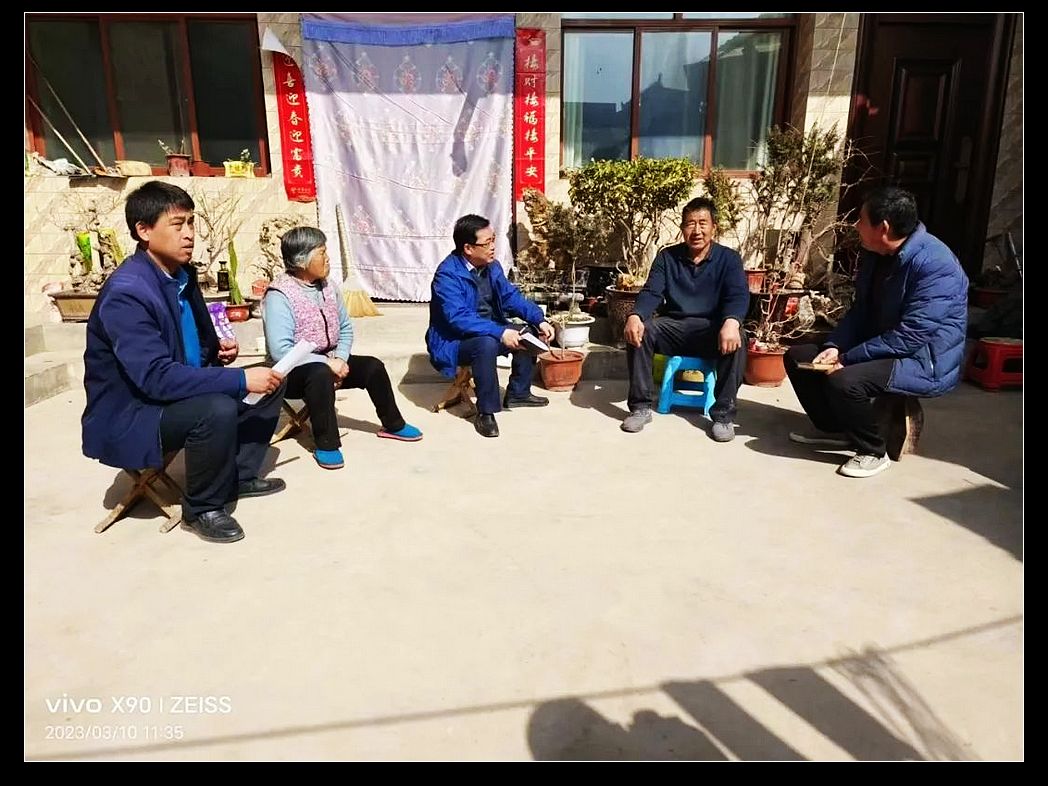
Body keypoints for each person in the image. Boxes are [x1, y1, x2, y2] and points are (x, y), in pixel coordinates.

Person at [82, 181, 286, 544]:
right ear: (143, 231)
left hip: (174, 389)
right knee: (217, 407)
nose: (189, 234)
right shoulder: (127, 293)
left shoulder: (180, 275)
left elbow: (188, 344)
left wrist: (218, 352)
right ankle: (203, 508)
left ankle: (238, 476)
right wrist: (239, 381)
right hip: (133, 411)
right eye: (177, 225)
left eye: (191, 223)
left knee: (272, 379)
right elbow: (156, 378)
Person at [784, 186, 969, 478]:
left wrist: (848, 358)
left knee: (845, 380)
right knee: (799, 356)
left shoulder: (936, 264)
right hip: (884, 342)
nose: (855, 225)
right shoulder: (876, 254)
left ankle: (873, 451)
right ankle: (838, 429)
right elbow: (861, 310)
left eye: (861, 219)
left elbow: (911, 335)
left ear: (883, 227)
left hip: (923, 357)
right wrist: (835, 345)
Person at [264, 226, 422, 470]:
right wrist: (327, 364)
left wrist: (340, 358)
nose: (328, 258)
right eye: (322, 253)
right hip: (290, 372)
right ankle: (327, 444)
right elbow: (280, 351)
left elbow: (345, 327)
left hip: (331, 360)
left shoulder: (328, 286)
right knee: (319, 374)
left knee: (372, 367)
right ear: (301, 260)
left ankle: (393, 424)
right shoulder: (279, 295)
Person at [621, 197, 750, 441]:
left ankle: (723, 415)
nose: (697, 230)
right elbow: (652, 291)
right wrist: (636, 315)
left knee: (739, 337)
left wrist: (732, 321)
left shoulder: (729, 259)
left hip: (712, 330)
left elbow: (738, 295)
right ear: (682, 228)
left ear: (714, 227)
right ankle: (640, 407)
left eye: (703, 223)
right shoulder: (667, 257)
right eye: (690, 223)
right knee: (640, 329)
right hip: (675, 328)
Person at [426, 214, 555, 438]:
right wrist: (500, 331)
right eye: (487, 243)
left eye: (493, 240)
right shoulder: (447, 275)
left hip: (490, 329)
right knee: (485, 344)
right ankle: (486, 412)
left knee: (528, 332)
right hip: (454, 340)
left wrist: (539, 319)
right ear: (468, 248)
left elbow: (511, 297)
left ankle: (518, 393)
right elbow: (458, 318)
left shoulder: (492, 267)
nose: (493, 247)